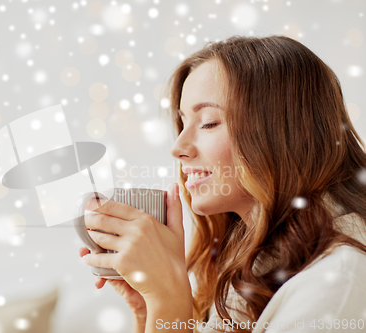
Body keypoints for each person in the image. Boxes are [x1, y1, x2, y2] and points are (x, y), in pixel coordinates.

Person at [78, 35, 366, 333]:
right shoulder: (247, 269)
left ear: (297, 130)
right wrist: (150, 309)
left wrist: (169, 299)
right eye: (182, 122)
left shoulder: (338, 280)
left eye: (209, 123)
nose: (178, 147)